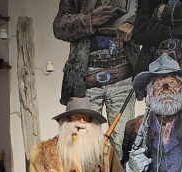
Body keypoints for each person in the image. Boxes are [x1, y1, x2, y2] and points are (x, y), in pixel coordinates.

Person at [53, 0, 139, 158]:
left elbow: (147, 15)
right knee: (82, 146)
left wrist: (133, 24)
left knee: (123, 145)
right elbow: (59, 27)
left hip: (123, 78)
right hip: (86, 80)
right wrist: (89, 19)